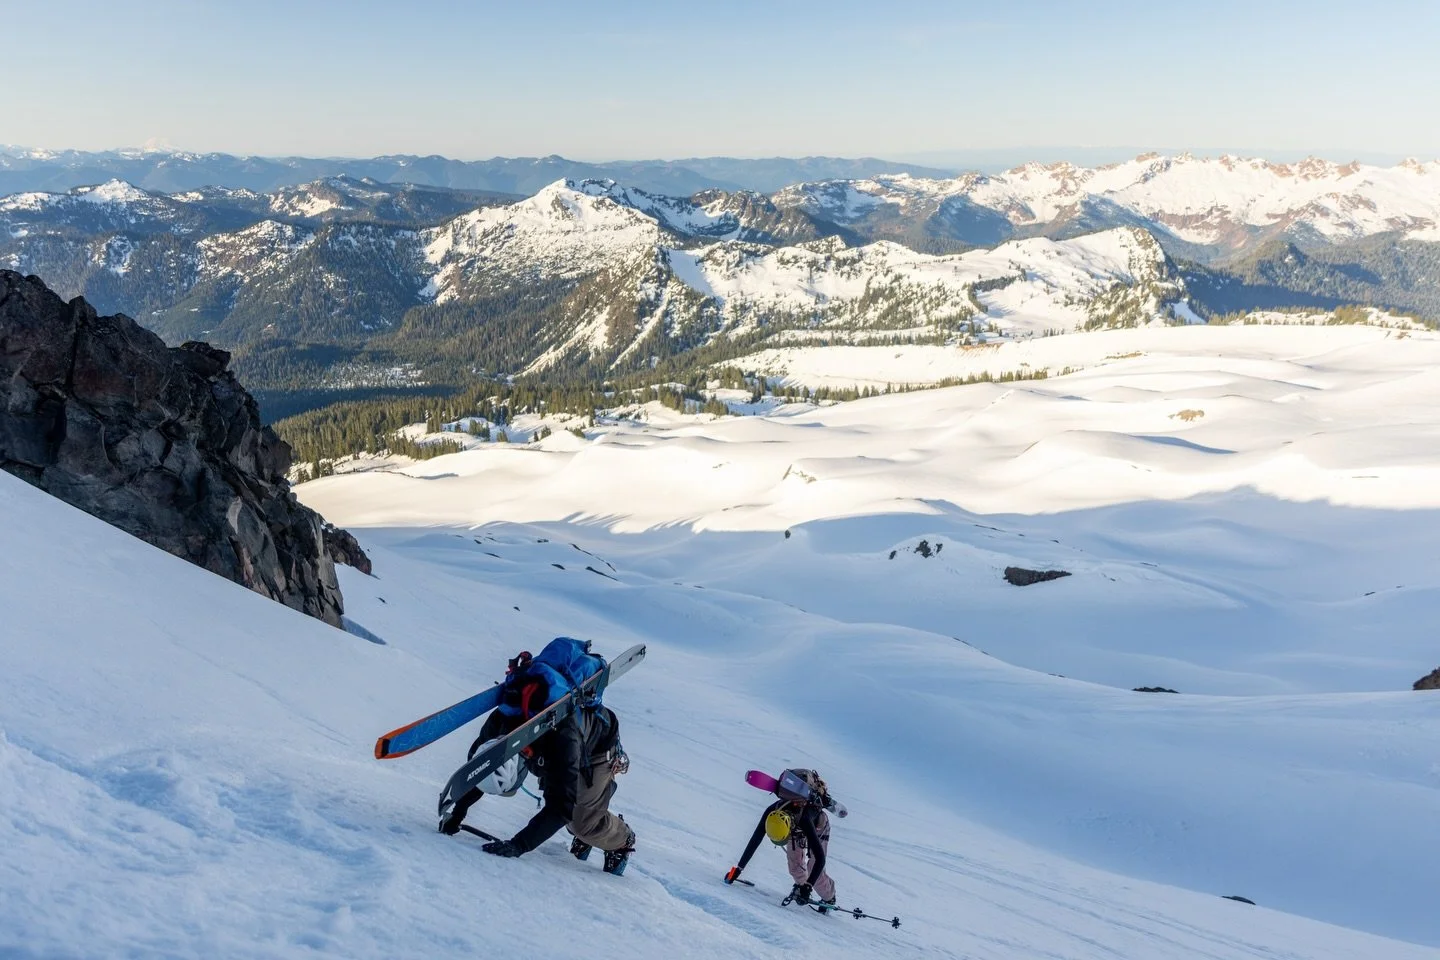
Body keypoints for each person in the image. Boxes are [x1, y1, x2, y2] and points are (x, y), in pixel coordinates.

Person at [439, 642, 636, 875]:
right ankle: (589, 813)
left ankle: (622, 840)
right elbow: (479, 770)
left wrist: (518, 845)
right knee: (569, 802)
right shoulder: (499, 724)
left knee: (582, 823)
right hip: (552, 751)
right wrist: (458, 812)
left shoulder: (562, 738)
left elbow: (561, 807)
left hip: (596, 753)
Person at [725, 769, 839, 911]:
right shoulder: (772, 813)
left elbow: (820, 859)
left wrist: (809, 887)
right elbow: (755, 840)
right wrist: (739, 869)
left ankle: (829, 897)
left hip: (818, 827)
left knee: (814, 868)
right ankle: (800, 885)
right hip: (794, 829)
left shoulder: (804, 820)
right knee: (795, 866)